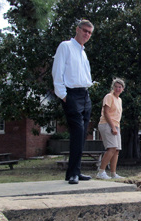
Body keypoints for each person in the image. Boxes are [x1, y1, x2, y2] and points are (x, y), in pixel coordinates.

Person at [52, 20, 94, 184]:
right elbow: (57, 72)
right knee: (77, 133)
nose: (86, 34)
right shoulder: (65, 46)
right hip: (72, 95)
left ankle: (74, 172)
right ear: (77, 29)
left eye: (89, 33)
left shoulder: (83, 52)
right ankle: (74, 173)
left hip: (85, 95)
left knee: (82, 135)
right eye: (84, 31)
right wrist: (63, 95)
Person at [96, 78, 125, 179]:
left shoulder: (119, 100)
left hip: (116, 126)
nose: (117, 88)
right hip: (106, 124)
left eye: (120, 87)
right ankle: (101, 172)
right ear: (113, 87)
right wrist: (113, 127)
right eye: (116, 86)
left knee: (116, 150)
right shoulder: (109, 96)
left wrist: (117, 128)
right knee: (111, 148)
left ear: (122, 89)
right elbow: (106, 113)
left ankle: (113, 174)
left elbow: (117, 116)